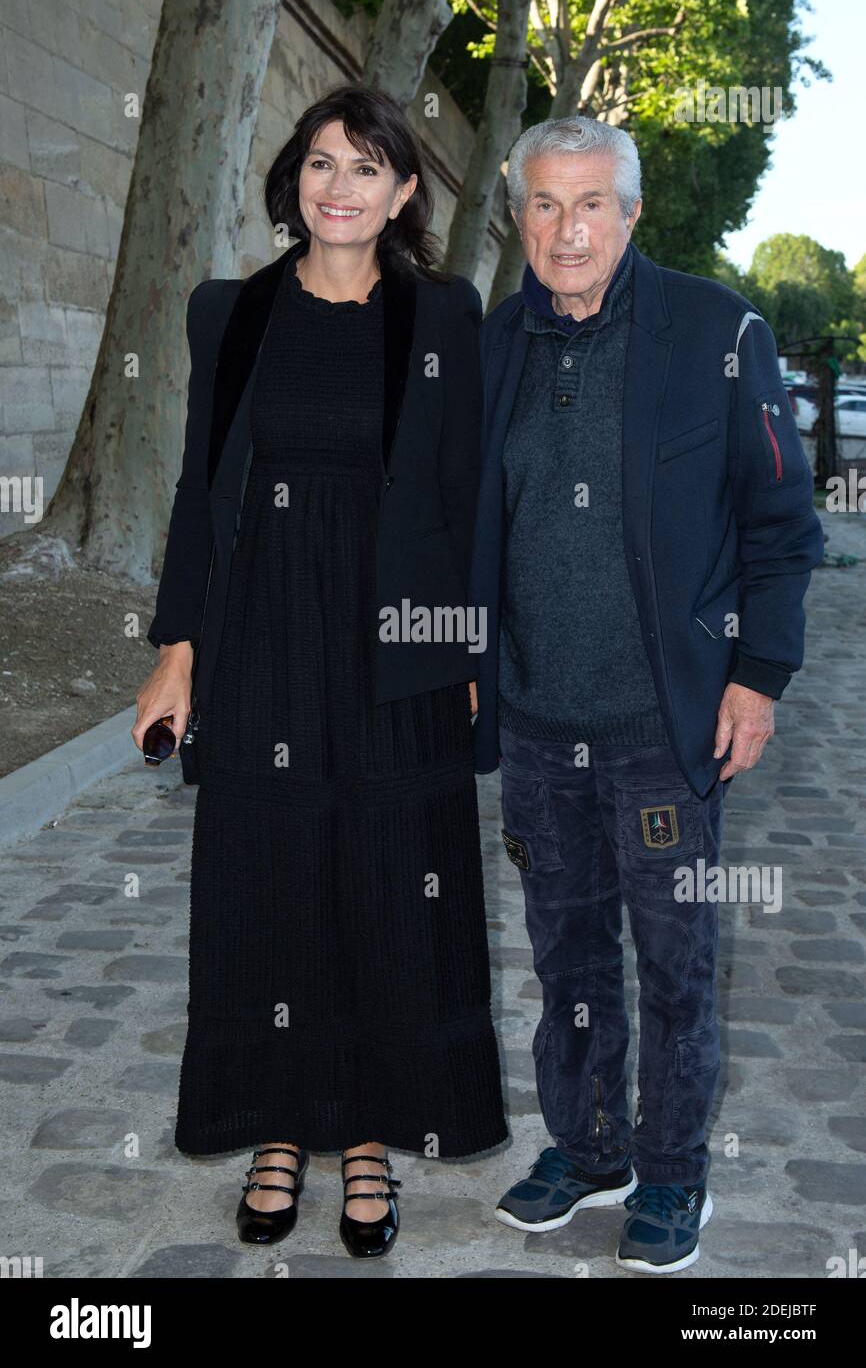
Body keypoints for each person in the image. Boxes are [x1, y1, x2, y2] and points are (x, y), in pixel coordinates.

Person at [133, 85, 506, 1259]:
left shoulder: (444, 314)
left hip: (399, 644)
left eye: (365, 167)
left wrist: (468, 656)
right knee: (267, 877)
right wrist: (175, 653)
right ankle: (278, 1129)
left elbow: (467, 499)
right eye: (320, 163)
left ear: (403, 192)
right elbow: (201, 490)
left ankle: (369, 1143)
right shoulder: (227, 315)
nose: (337, 186)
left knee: (395, 884)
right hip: (262, 641)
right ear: (295, 179)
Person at [470, 115, 823, 1273]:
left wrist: (757, 678)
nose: (565, 231)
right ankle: (588, 1148)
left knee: (674, 962)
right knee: (563, 953)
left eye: (589, 205)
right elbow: (462, 525)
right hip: (534, 722)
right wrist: (465, 663)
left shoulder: (715, 332)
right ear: (516, 214)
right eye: (542, 205)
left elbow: (781, 523)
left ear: (628, 213)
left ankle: (672, 1173)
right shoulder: (493, 344)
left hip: (663, 724)